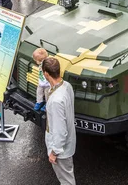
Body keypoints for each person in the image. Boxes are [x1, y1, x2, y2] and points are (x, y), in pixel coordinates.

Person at [42, 57, 77, 185]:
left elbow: (60, 130)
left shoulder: (56, 101)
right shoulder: (67, 86)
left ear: (46, 73)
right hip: (68, 143)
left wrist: (54, 152)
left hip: (61, 150)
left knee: (66, 181)